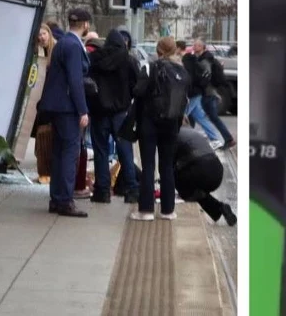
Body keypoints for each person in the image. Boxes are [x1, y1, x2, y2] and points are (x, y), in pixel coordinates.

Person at [38, 8, 91, 218]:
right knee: (70, 154)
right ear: (86, 25)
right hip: (68, 108)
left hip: (55, 106)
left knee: (59, 153)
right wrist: (82, 110)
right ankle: (66, 201)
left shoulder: (62, 43)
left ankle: (57, 198)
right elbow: (75, 80)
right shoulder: (73, 46)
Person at [130, 37, 190, 221]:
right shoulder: (182, 71)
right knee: (167, 166)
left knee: (148, 165)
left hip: (149, 122)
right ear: (174, 51)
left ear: (158, 51)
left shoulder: (150, 67)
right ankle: (168, 210)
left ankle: (146, 211)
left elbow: (137, 91)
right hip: (171, 123)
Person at [88, 29, 140, 204]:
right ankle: (131, 189)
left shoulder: (95, 59)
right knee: (125, 152)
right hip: (120, 114)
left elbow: (88, 83)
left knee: (101, 152)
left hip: (99, 112)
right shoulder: (129, 60)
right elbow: (137, 86)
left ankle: (102, 191)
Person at [175, 126, 236, 226]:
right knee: (195, 190)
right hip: (217, 172)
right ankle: (220, 208)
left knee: (178, 180)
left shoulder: (173, 136)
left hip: (202, 173)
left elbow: (168, 167)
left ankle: (195, 216)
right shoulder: (192, 133)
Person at [177, 40, 222, 149]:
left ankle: (176, 139)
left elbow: (188, 77)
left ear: (178, 48)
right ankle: (215, 139)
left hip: (192, 93)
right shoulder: (191, 58)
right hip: (197, 92)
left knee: (180, 115)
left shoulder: (186, 60)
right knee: (200, 117)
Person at [194, 39, 236, 150]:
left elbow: (207, 75)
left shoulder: (205, 60)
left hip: (207, 92)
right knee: (204, 116)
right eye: (194, 44)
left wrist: (201, 85)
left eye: (197, 45)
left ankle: (228, 139)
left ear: (203, 47)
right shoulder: (203, 58)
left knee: (211, 117)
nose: (195, 46)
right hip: (209, 92)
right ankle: (219, 138)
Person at [32, 24, 56, 185]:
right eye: (39, 35)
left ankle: (48, 171)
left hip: (51, 101)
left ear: (49, 33)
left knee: (48, 137)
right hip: (40, 102)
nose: (42, 37)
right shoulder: (39, 53)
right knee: (41, 138)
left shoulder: (56, 51)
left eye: (44, 34)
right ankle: (44, 171)